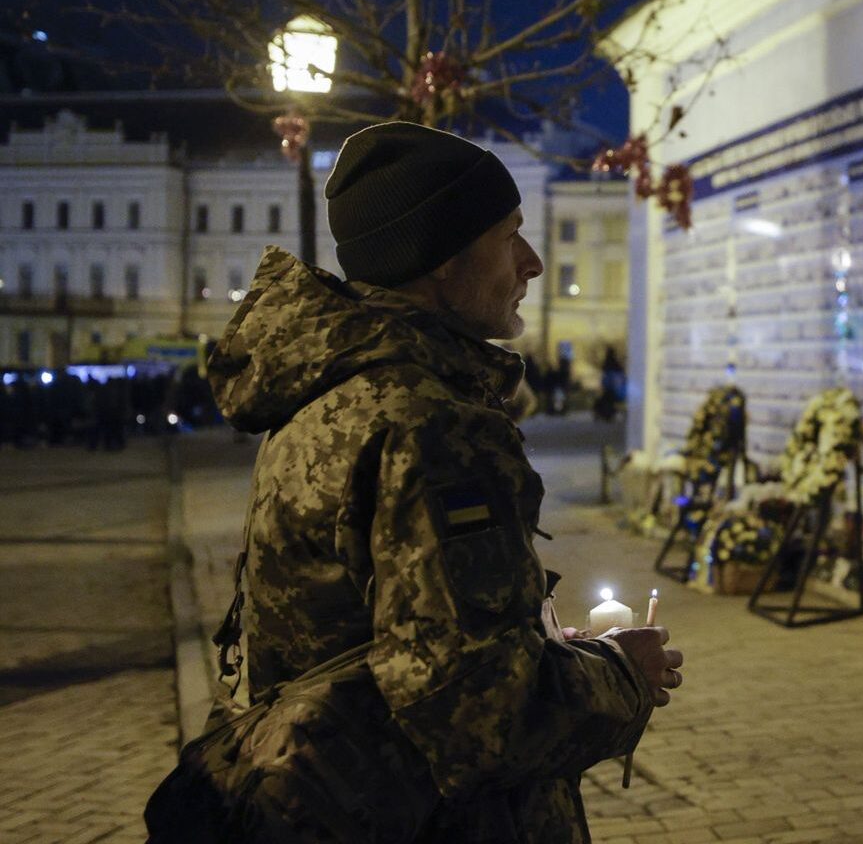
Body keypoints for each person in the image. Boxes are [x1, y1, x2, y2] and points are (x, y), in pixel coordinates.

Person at [201, 122, 680, 841]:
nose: (533, 262)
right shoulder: (431, 425)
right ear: (442, 260)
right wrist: (621, 673)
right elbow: (481, 717)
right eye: (509, 235)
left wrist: (536, 646)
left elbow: (400, 649)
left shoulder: (330, 395)